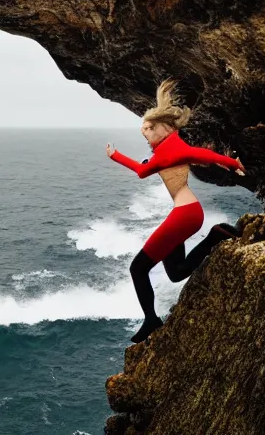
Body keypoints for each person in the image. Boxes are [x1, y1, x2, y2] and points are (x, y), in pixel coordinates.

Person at [105, 79, 246, 343]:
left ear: (165, 127)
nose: (145, 134)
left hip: (185, 214)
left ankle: (151, 320)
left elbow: (143, 171)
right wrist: (230, 163)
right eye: (143, 130)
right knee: (176, 272)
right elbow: (200, 155)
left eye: (148, 129)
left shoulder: (167, 152)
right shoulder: (171, 146)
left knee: (138, 268)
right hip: (188, 212)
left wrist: (115, 155)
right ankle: (215, 235)